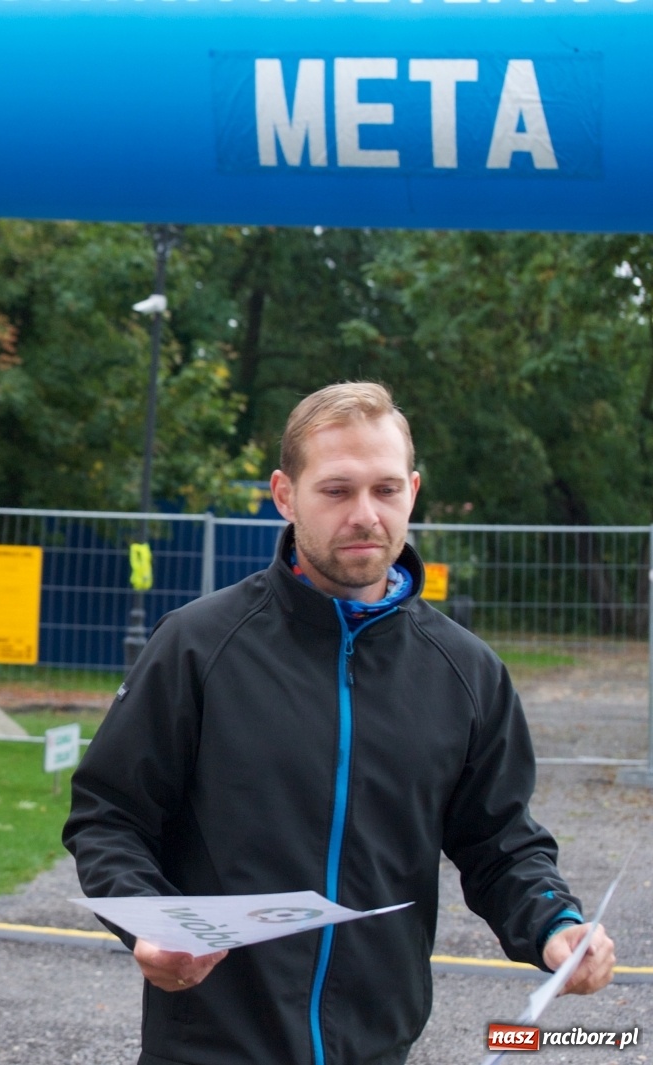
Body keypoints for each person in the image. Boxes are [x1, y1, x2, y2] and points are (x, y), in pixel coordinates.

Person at [65, 382, 615, 1065]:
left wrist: (554, 923)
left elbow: (501, 840)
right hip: (210, 1045)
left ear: (412, 491)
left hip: (378, 1046)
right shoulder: (198, 647)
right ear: (285, 495)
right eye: (336, 490)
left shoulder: (466, 672)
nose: (365, 513)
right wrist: (148, 922)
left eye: (386, 489)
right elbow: (109, 816)